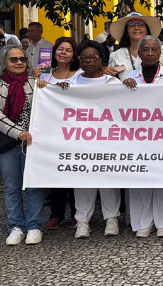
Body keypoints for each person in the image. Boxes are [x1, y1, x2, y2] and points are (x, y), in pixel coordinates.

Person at [53, 40, 123, 238]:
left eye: (93, 57)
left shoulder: (112, 82)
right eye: (84, 57)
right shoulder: (72, 83)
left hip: (108, 139)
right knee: (83, 178)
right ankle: (82, 221)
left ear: (102, 59)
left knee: (108, 178)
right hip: (80, 141)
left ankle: (112, 219)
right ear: (79, 60)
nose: (89, 60)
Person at [121, 35, 163, 238]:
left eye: (154, 49)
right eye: (145, 49)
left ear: (160, 52)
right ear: (139, 52)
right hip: (137, 136)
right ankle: (143, 222)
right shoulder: (128, 78)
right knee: (140, 177)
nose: (150, 53)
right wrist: (123, 89)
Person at [0, 45, 44, 245]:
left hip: (33, 142)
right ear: (4, 63)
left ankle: (35, 225)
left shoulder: (34, 83)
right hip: (7, 142)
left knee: (34, 185)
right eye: (14, 60)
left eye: (22, 59)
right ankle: (17, 226)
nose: (19, 62)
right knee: (11, 187)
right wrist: (18, 132)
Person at [32, 37, 81, 230]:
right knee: (55, 173)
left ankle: (77, 213)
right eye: (60, 49)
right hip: (51, 132)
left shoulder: (79, 75)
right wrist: (35, 80)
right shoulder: (44, 75)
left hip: (76, 133)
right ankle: (57, 213)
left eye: (68, 50)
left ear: (73, 55)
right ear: (53, 53)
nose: (63, 53)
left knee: (76, 175)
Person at [108, 12, 163, 80]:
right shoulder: (117, 55)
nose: (137, 28)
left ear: (147, 30)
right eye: (131, 25)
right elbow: (112, 82)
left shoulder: (162, 51)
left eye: (141, 24)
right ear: (126, 31)